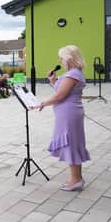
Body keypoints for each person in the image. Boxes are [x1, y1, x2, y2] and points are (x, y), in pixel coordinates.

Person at [38, 45, 91, 191]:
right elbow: (61, 90)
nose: (60, 61)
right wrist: (53, 81)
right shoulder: (73, 73)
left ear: (68, 59)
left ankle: (75, 180)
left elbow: (60, 95)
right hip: (69, 112)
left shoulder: (72, 74)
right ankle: (77, 178)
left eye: (61, 58)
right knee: (73, 143)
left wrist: (43, 103)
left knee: (71, 144)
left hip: (69, 114)